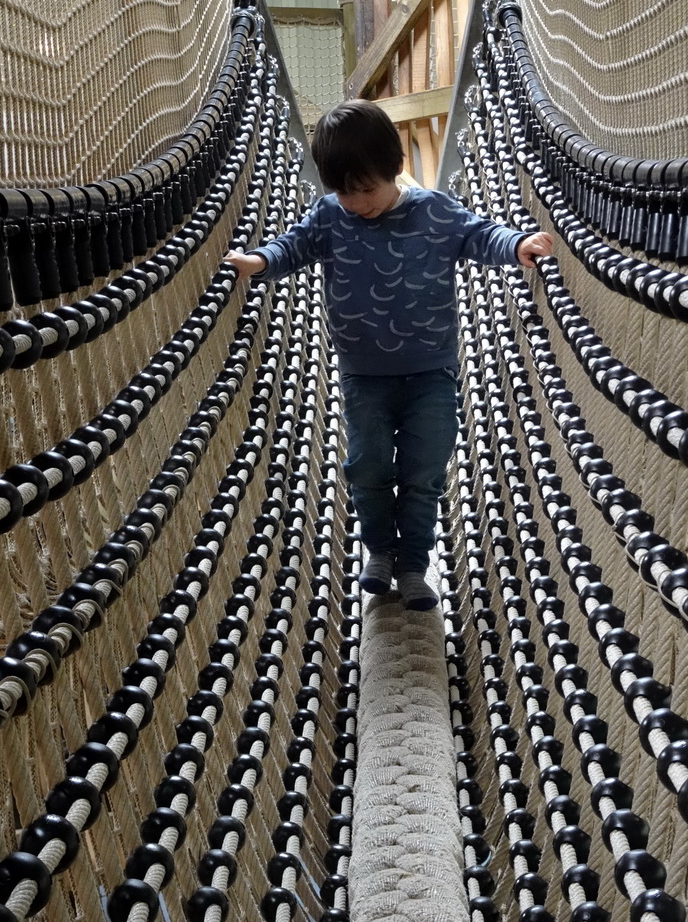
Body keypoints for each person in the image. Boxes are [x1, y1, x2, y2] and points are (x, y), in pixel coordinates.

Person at [225, 99, 553, 610]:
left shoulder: (434, 211)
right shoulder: (332, 216)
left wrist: (517, 245)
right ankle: (379, 552)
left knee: (423, 473)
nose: (356, 203)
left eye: (366, 190)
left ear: (394, 168)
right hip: (365, 374)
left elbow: (479, 234)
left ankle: (415, 567)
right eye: (342, 192)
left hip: (431, 372)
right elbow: (294, 245)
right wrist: (259, 259)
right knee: (369, 465)